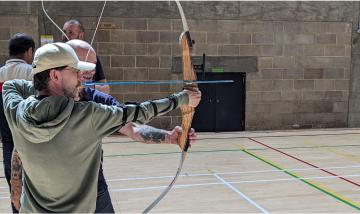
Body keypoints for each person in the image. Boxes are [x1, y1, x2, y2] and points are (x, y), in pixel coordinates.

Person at [3, 42, 201, 213]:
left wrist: (42, 87)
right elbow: (139, 111)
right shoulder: (89, 114)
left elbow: (10, 85)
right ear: (55, 74)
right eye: (75, 71)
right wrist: (182, 99)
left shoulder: (15, 109)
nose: (81, 78)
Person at [0, 33, 35, 214]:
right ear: (29, 51)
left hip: (8, 142)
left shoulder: (0, 73)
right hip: (30, 142)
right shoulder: (32, 72)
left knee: (14, 190)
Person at [62, 19, 110, 94]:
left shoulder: (90, 57)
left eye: (71, 32)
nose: (65, 36)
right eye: (64, 32)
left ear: (81, 36)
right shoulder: (58, 56)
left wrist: (85, 86)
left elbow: (106, 88)